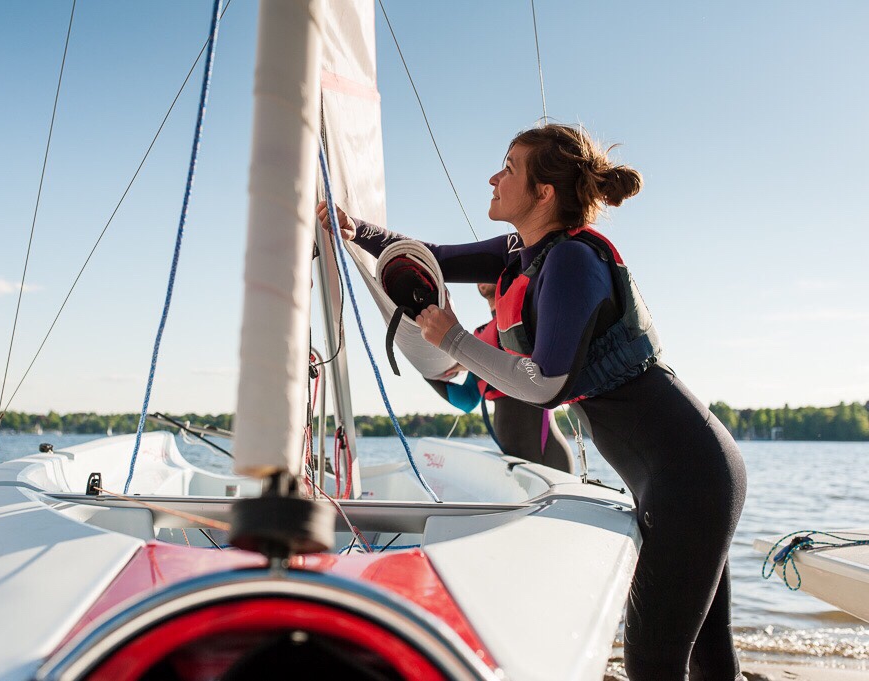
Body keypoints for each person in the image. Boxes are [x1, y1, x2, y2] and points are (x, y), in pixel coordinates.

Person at [317, 123, 747, 680]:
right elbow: (434, 258)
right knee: (705, 653)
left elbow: (547, 385)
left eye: (509, 167)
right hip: (682, 471)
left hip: (691, 474)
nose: (494, 178)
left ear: (544, 193)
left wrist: (453, 339)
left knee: (655, 661)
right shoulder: (524, 251)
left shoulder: (571, 261)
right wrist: (357, 230)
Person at [426, 282, 574, 472]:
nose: (479, 276)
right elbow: (467, 399)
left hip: (549, 458)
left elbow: (517, 354)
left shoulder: (526, 317)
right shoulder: (479, 337)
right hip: (514, 464)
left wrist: (465, 354)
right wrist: (427, 370)